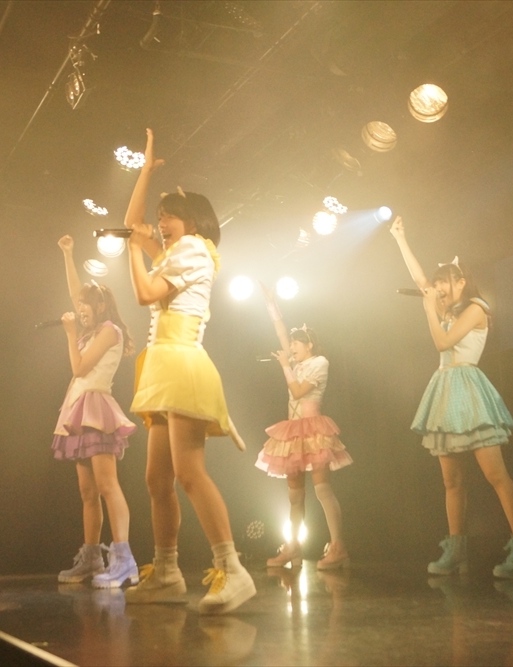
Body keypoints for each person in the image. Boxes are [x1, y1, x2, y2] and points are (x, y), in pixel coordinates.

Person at [122, 129, 256, 614]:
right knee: (157, 479)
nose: (160, 224)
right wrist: (144, 172)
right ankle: (167, 571)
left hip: (181, 361)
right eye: (160, 217)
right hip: (163, 364)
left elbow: (145, 293)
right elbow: (132, 224)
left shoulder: (194, 249)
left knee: (189, 472)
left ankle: (233, 570)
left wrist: (132, 250)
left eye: (169, 216)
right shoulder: (173, 253)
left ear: (193, 222)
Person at [390, 216, 513, 579]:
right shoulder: (447, 308)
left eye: (444, 281)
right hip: (444, 390)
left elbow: (443, 343)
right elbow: (420, 282)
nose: (437, 287)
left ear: (461, 281)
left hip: (468, 389)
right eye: (437, 281)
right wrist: (400, 239)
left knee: (495, 474)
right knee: (451, 481)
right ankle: (456, 549)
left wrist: (429, 308)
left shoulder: (476, 308)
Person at [53, 235, 139, 588]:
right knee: (87, 491)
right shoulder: (90, 331)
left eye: (86, 304)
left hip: (97, 408)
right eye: (78, 305)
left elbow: (80, 368)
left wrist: (70, 334)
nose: (79, 308)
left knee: (107, 485)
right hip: (77, 409)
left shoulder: (108, 330)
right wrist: (68, 255)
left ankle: (124, 559)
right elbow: (77, 292)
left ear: (101, 306)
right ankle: (91, 559)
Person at [255, 286, 353, 570]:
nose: (291, 347)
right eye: (291, 344)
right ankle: (293, 547)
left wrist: (285, 366)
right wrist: (271, 303)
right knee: (295, 495)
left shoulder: (320, 362)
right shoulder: (295, 362)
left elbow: (298, 392)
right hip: (292, 431)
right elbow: (280, 332)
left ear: (308, 345)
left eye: (296, 344)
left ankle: (338, 546)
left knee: (322, 490)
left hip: (313, 430)